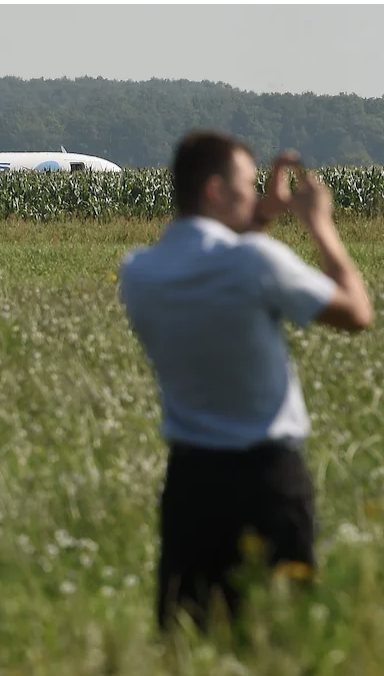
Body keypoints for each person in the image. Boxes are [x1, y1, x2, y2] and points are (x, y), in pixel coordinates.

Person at [117, 130, 373, 636]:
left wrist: (259, 217)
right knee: (279, 639)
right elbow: (357, 314)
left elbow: (221, 260)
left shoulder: (139, 272)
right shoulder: (256, 262)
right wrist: (319, 225)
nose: (256, 195)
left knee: (191, 641)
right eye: (247, 185)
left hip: (189, 486)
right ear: (215, 191)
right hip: (269, 483)